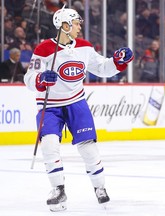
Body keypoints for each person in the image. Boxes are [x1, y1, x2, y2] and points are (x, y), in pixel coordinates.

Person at [24, 7, 134, 212]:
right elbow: (29, 79)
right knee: (49, 145)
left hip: (76, 103)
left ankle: (100, 188)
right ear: (64, 26)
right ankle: (58, 189)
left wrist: (118, 61)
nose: (79, 26)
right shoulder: (44, 49)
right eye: (75, 23)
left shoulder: (85, 47)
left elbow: (103, 68)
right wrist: (40, 78)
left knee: (88, 148)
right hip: (50, 106)